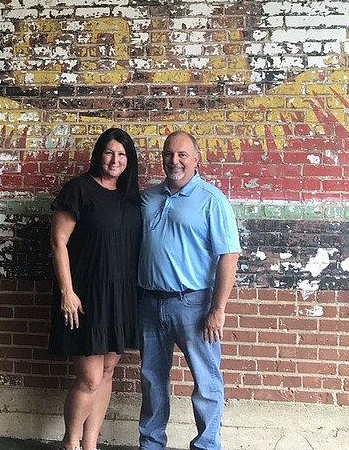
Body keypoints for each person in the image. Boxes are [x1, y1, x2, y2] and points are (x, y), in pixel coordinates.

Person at [137, 131, 241, 450]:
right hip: (149, 303)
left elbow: (229, 255)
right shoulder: (147, 198)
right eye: (169, 154)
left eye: (182, 155)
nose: (174, 161)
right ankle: (151, 444)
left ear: (197, 159)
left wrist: (217, 309)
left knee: (206, 382)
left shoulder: (212, 200)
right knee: (153, 381)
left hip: (194, 305)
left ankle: (207, 445)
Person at [48, 127, 142, 450]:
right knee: (89, 377)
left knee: (107, 372)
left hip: (120, 297)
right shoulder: (79, 190)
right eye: (109, 152)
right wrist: (66, 292)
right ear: (98, 154)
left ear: (129, 161)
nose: (114, 160)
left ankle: (90, 444)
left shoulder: (132, 199)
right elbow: (58, 242)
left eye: (121, 154)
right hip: (85, 296)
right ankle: (70, 442)